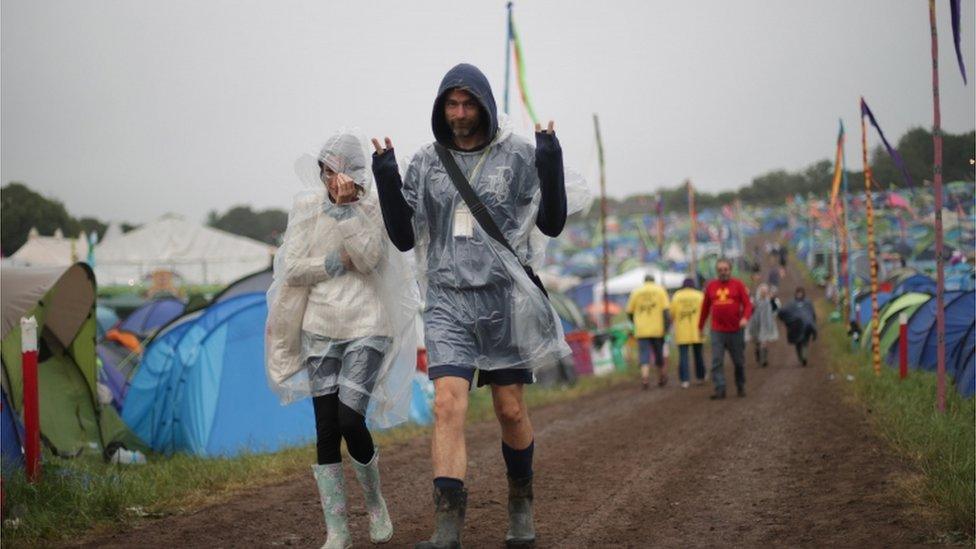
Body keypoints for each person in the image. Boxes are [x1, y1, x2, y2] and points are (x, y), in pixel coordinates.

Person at [370, 63, 569, 548]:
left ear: (484, 105)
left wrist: (550, 159)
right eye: (451, 105)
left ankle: (520, 507)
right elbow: (401, 236)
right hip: (447, 302)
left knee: (510, 410)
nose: (460, 114)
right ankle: (447, 529)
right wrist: (385, 174)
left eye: (468, 104)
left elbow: (553, 221)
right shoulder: (426, 163)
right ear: (442, 108)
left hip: (505, 301)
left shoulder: (518, 157)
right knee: (446, 406)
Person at [265, 132, 418, 549]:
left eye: (339, 170)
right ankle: (337, 529)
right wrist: (335, 263)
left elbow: (371, 259)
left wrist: (347, 212)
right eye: (326, 171)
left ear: (354, 171)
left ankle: (373, 502)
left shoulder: (371, 206)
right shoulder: (306, 207)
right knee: (326, 428)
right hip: (320, 327)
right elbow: (292, 268)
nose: (332, 180)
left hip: (368, 325)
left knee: (351, 419)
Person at [698, 258, 753, 399]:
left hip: (736, 329)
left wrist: (745, 318)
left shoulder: (738, 285)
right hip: (717, 330)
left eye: (725, 269)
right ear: (717, 271)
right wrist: (700, 326)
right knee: (716, 361)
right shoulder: (711, 286)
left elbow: (748, 305)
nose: (723, 272)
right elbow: (704, 308)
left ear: (730, 270)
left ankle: (740, 385)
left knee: (738, 362)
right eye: (720, 270)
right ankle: (720, 389)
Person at [626, 274, 671, 389]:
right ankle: (661, 376)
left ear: (644, 281)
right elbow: (666, 311)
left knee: (644, 355)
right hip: (657, 329)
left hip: (641, 330)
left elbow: (629, 312)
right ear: (653, 281)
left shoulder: (636, 292)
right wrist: (666, 328)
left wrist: (636, 322)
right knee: (658, 354)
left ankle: (645, 378)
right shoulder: (660, 291)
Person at [671, 278, 706, 388]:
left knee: (683, 356)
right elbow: (706, 311)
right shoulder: (699, 295)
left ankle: (685, 380)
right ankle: (701, 377)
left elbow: (671, 313)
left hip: (682, 331)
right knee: (698, 355)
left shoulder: (677, 296)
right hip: (697, 330)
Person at [778, 286, 818, 366]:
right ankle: (800, 357)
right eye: (798, 293)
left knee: (805, 342)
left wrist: (813, 323)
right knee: (798, 342)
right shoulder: (791, 303)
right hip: (796, 327)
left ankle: (804, 357)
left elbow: (812, 313)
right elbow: (783, 312)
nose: (799, 294)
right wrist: (787, 321)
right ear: (795, 293)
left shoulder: (808, 302)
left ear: (803, 293)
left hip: (807, 326)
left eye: (801, 293)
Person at [747, 283, 780, 368]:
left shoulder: (770, 301)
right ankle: (758, 355)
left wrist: (773, 300)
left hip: (766, 324)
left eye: (765, 291)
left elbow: (776, 309)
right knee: (757, 342)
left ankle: (764, 360)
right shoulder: (755, 301)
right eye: (763, 291)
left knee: (764, 342)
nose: (764, 293)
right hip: (756, 323)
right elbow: (749, 310)